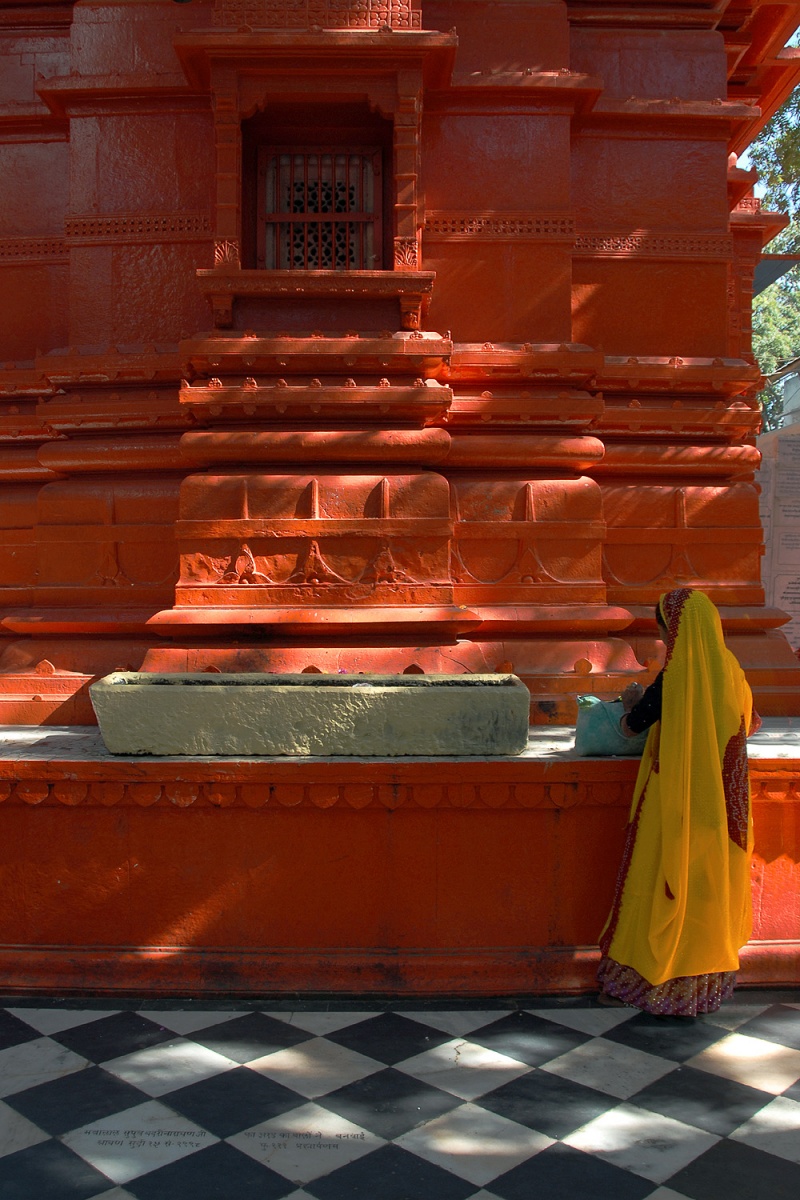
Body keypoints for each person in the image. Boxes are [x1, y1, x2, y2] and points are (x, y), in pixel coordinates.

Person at [597, 587, 760, 1015]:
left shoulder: (676, 676)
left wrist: (633, 702)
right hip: (724, 809)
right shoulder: (731, 668)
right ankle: (700, 990)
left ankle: (653, 985)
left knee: (659, 886)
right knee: (707, 894)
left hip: (674, 805)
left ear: (675, 631)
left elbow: (632, 727)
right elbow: (751, 723)